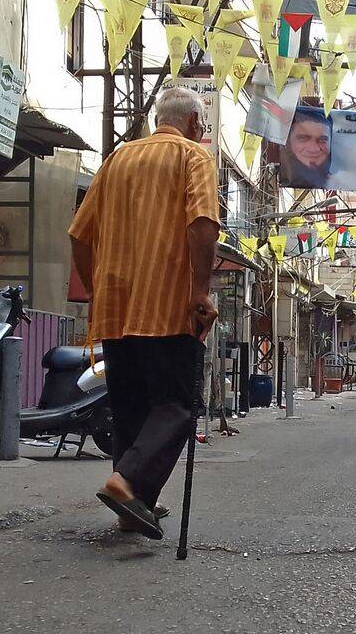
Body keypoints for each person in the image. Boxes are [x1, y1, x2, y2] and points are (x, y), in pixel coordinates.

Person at [69, 86, 220, 539]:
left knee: (131, 407)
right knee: (174, 406)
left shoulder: (116, 160)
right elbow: (202, 225)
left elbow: (79, 235)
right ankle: (126, 481)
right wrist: (198, 291)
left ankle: (132, 505)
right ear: (193, 122)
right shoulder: (193, 157)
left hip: (116, 308)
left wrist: (99, 290)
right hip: (167, 305)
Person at [279, 108, 332, 188]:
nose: (314, 149)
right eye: (303, 139)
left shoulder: (339, 180)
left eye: (322, 140)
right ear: (288, 142)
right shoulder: (277, 172)